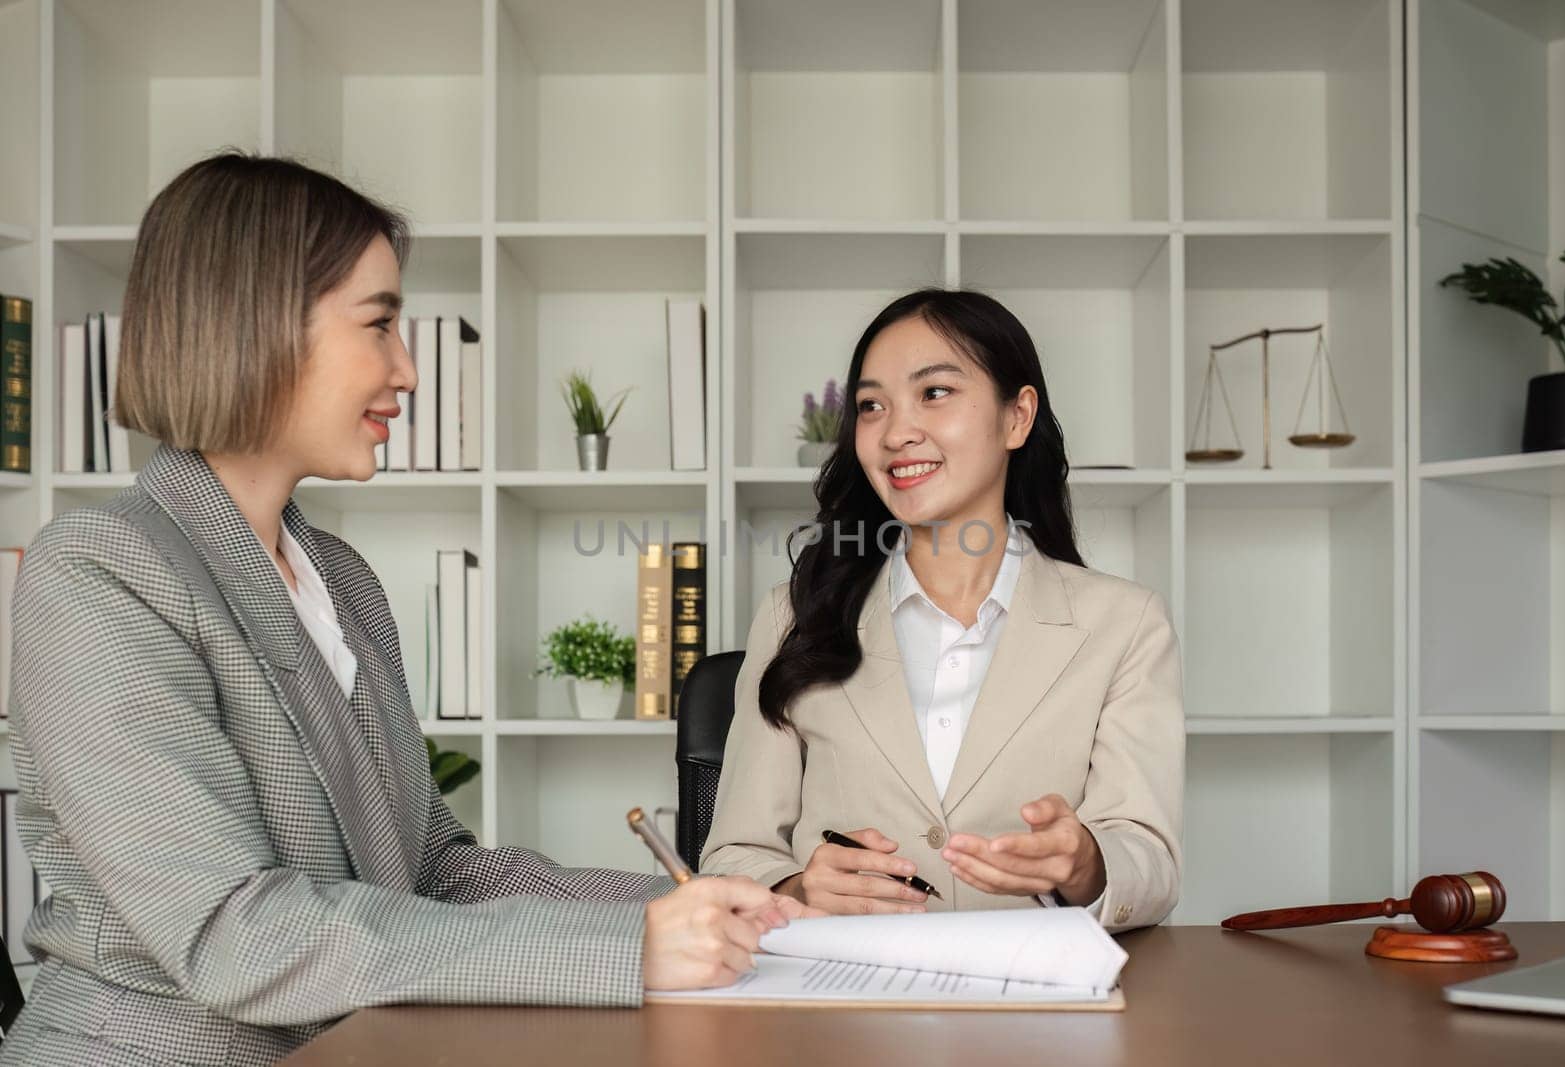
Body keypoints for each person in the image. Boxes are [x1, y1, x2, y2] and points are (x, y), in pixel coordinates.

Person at [1, 153, 801, 1066]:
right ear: (256, 322)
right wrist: (629, 951)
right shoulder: (99, 571)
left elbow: (434, 873)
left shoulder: (341, 579)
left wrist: (697, 905)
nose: (409, 370)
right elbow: (234, 929)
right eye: (380, 324)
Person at [699, 289, 1184, 930]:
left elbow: (1149, 859)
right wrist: (795, 887)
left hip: (1040, 1010)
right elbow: (733, 854)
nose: (897, 432)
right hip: (845, 1004)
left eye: (934, 393)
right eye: (872, 406)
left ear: (1018, 417)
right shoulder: (794, 616)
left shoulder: (1125, 625)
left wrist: (1088, 862)